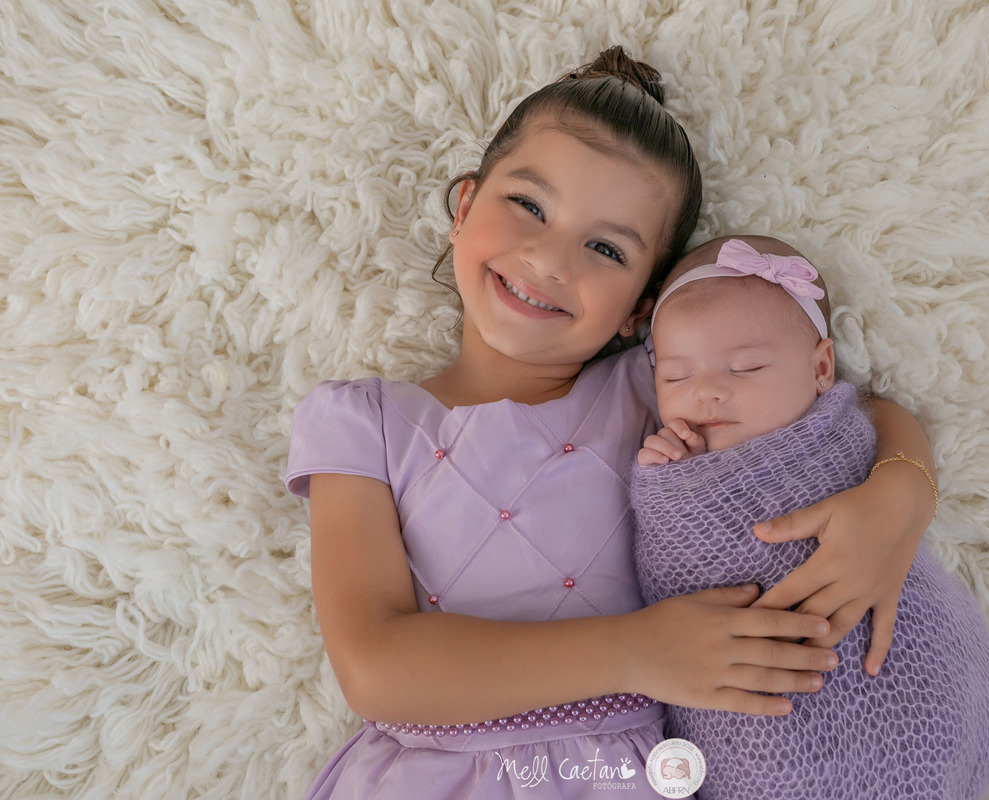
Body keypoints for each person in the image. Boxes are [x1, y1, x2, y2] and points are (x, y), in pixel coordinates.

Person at [285, 47, 937, 799]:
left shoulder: (659, 391)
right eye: (529, 205)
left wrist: (900, 495)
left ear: (640, 310)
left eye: (605, 247)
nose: (549, 259)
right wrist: (636, 653)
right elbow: (374, 668)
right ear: (462, 207)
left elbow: (855, 410)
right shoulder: (364, 423)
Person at [632, 235, 989, 799]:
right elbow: (675, 567)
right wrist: (670, 480)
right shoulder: (678, 471)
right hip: (774, 716)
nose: (706, 392)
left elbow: (891, 476)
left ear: (821, 368)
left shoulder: (846, 437)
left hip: (916, 675)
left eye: (746, 367)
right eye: (677, 377)